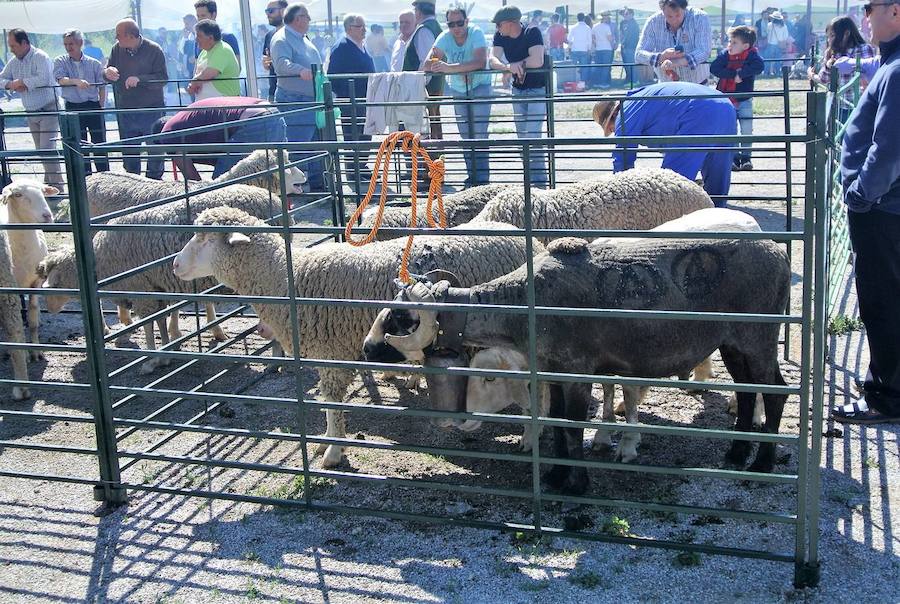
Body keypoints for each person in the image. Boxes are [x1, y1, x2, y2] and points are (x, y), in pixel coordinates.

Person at [832, 0, 900, 425]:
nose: (865, 18)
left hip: (883, 209)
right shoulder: (891, 65)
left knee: (883, 299)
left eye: (871, 8)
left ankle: (886, 397)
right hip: (886, 205)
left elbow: (889, 148)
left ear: (896, 11)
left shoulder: (897, 70)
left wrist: (861, 193)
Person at [592, 82, 736, 202]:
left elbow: (623, 154)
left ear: (614, 115)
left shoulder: (626, 111)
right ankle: (716, 208)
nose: (614, 132)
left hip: (697, 110)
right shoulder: (641, 99)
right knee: (718, 165)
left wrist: (621, 193)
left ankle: (672, 216)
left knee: (672, 183)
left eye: (610, 128)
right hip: (724, 104)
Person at [426, 6, 492, 185]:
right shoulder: (444, 38)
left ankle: (482, 179)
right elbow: (429, 61)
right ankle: (473, 176)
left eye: (459, 23)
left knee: (479, 134)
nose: (456, 27)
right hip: (458, 89)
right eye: (451, 24)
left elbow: (480, 61)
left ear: (467, 22)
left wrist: (449, 68)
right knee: (465, 134)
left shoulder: (476, 32)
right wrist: (434, 64)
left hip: (480, 86)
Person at [154, 96, 286, 179]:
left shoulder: (168, 133)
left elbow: (192, 178)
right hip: (273, 113)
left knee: (223, 184)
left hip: (253, 121)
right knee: (272, 175)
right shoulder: (186, 118)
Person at [490, 5, 548, 186]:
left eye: (499, 25)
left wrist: (516, 65)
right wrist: (509, 67)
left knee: (532, 134)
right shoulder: (500, 36)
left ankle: (539, 183)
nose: (497, 28)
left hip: (537, 88)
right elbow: (493, 59)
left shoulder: (532, 32)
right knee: (522, 136)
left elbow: (537, 60)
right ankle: (530, 180)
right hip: (518, 89)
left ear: (509, 23)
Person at [271, 2, 326, 191]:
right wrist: (300, 70)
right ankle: (297, 188)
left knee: (313, 143)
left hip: (309, 99)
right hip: (294, 100)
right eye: (307, 16)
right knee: (299, 144)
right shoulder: (282, 39)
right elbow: (280, 64)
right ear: (297, 18)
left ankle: (316, 184)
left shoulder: (301, 39)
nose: (309, 20)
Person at [104, 18, 168, 179]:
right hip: (126, 108)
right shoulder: (116, 50)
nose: (116, 38)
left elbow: (162, 78)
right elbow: (107, 71)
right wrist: (107, 72)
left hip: (151, 109)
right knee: (130, 149)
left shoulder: (154, 50)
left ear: (130, 36)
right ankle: (133, 179)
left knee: (155, 147)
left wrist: (140, 79)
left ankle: (154, 181)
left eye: (118, 35)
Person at [1, 29, 64, 188]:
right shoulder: (14, 61)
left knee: (46, 149)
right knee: (41, 149)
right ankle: (49, 184)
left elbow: (44, 77)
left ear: (24, 43)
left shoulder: (40, 57)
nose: (11, 49)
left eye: (13, 46)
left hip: (48, 108)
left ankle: (58, 187)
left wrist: (23, 83)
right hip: (31, 110)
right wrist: (11, 84)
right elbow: (2, 77)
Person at [53, 29, 109, 174]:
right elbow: (60, 79)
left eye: (71, 44)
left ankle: (105, 176)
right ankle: (85, 179)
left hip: (92, 106)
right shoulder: (60, 61)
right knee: (79, 144)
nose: (68, 47)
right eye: (66, 44)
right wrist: (75, 81)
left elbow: (102, 87)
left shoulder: (94, 64)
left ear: (80, 43)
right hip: (73, 106)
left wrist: (101, 107)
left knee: (99, 143)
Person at [327, 13, 375, 180]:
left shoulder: (361, 45)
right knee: (353, 134)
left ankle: (361, 166)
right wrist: (347, 94)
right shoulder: (341, 48)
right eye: (359, 26)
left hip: (364, 99)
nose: (364, 30)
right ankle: (353, 170)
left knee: (365, 134)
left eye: (364, 26)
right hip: (351, 101)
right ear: (349, 28)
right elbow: (332, 76)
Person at [710, 25, 764, 171]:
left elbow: (759, 66)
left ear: (745, 46)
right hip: (727, 99)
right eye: (730, 41)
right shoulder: (725, 55)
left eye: (734, 42)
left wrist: (743, 73)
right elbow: (714, 68)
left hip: (744, 99)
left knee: (746, 129)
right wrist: (734, 75)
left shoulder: (752, 56)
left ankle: (746, 158)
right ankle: (733, 158)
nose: (730, 45)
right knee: (731, 129)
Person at [809, 16, 876, 121]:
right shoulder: (832, 52)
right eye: (828, 36)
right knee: (840, 134)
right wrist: (828, 66)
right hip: (840, 106)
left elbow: (869, 74)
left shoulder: (863, 49)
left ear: (846, 34)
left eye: (832, 35)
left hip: (860, 106)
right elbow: (824, 79)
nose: (829, 40)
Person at [635, 0, 712, 84]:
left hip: (697, 86)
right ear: (662, 10)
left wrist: (678, 62)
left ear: (684, 8)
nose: (674, 20)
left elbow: (704, 51)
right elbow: (639, 54)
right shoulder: (653, 22)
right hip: (667, 87)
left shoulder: (700, 18)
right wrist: (661, 57)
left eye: (678, 15)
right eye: (669, 16)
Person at [403, 0, 444, 140]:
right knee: (433, 125)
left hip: (424, 88)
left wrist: (419, 85)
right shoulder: (435, 27)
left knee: (427, 129)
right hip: (432, 86)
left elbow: (427, 62)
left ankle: (428, 160)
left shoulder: (424, 30)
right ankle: (432, 159)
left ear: (418, 12)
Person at [188, 19, 241, 99]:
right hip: (206, 105)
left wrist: (195, 81)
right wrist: (192, 85)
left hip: (225, 105)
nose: (196, 39)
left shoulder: (223, 49)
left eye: (199, 36)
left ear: (210, 38)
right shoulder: (203, 53)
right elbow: (197, 74)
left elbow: (210, 72)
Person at [194, 0, 241, 67]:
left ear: (214, 15)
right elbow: (196, 66)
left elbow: (237, 66)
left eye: (203, 16)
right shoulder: (198, 40)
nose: (200, 20)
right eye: (198, 16)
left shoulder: (228, 37)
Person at [261, 0, 288, 102]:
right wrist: (265, 63)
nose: (268, 15)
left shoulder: (295, 34)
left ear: (283, 11)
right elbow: (266, 63)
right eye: (266, 11)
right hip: (273, 91)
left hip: (292, 94)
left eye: (271, 11)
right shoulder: (269, 35)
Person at [764, 11, 793, 76]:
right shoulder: (784, 26)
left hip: (770, 44)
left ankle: (766, 72)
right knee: (778, 59)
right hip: (779, 45)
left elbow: (767, 33)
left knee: (768, 59)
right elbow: (786, 36)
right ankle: (777, 72)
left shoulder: (769, 25)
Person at [592, 12, 615, 88]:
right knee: (606, 67)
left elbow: (593, 38)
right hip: (607, 48)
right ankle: (603, 83)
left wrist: (596, 45)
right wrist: (613, 43)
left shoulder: (595, 27)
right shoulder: (607, 27)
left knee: (599, 66)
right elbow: (609, 38)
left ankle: (597, 82)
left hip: (598, 48)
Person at [568, 12, 592, 82]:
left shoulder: (573, 27)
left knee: (573, 67)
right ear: (584, 18)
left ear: (577, 18)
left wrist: (571, 46)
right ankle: (583, 82)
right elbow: (589, 40)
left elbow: (569, 39)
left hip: (574, 49)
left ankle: (573, 81)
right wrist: (589, 49)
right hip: (584, 49)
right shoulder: (587, 28)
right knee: (584, 68)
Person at [619, 8, 641, 84]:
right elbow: (621, 33)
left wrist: (625, 43)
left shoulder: (634, 24)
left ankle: (634, 80)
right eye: (624, 14)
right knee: (626, 64)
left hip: (632, 47)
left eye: (627, 14)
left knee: (632, 64)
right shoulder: (622, 23)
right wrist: (622, 43)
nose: (625, 15)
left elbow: (632, 36)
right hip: (624, 47)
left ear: (631, 14)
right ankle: (628, 79)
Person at [180, 14, 198, 85]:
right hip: (191, 70)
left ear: (194, 22)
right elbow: (184, 51)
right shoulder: (190, 36)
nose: (185, 26)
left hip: (200, 71)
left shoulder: (201, 34)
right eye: (185, 24)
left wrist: (196, 56)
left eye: (187, 24)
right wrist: (185, 38)